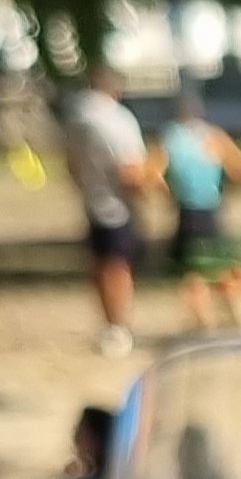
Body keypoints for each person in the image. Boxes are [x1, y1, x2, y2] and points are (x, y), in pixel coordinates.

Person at [61, 64, 149, 356]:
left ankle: (108, 324)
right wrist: (150, 188)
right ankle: (119, 325)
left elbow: (71, 161)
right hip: (118, 203)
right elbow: (130, 169)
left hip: (92, 198)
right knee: (118, 267)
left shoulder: (78, 115)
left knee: (100, 265)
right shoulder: (118, 119)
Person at [159, 88, 241, 332]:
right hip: (213, 209)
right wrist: (224, 187)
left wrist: (168, 191)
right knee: (224, 265)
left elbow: (152, 174)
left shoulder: (171, 138)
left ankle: (203, 323)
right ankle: (232, 314)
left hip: (188, 212)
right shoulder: (213, 136)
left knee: (193, 272)